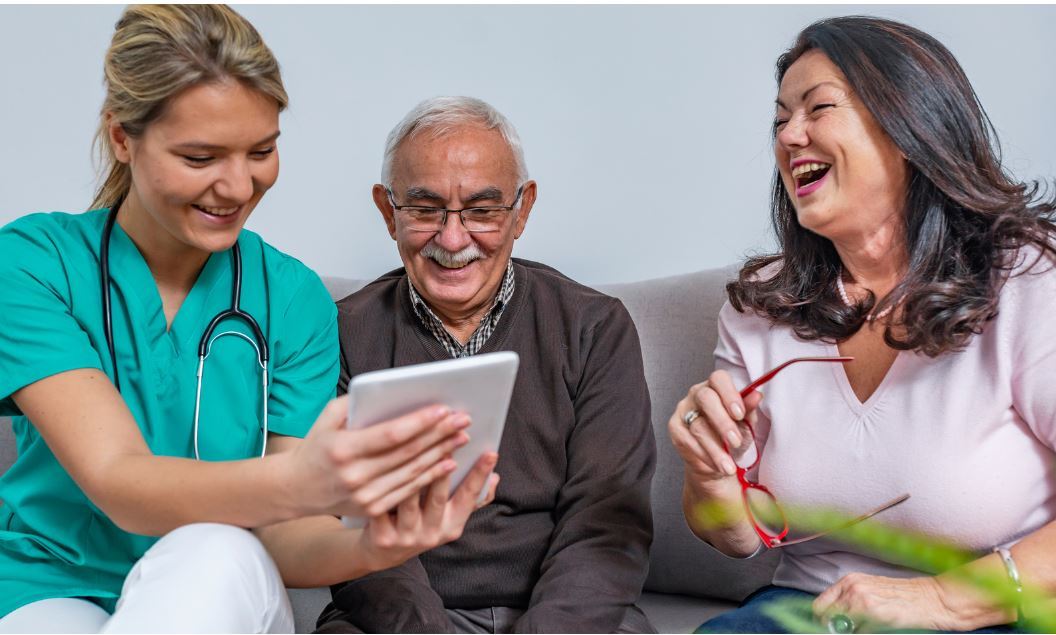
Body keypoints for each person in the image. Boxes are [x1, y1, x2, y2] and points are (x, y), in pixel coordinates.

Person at [0, 6, 495, 633]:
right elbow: (117, 480)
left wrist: (377, 546)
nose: (237, 186)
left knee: (211, 547)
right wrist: (303, 480)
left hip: (220, 587)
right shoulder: (32, 264)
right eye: (201, 157)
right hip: (45, 586)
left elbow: (289, 537)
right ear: (123, 137)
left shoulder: (291, 298)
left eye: (261, 150)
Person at [668, 15, 1056, 634]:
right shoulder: (762, 304)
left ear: (909, 126)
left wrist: (942, 602)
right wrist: (709, 473)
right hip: (812, 614)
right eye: (779, 119)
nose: (790, 136)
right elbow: (738, 537)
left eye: (818, 108)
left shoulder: (1028, 278)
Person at [315, 96, 657, 634]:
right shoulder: (338, 335)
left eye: (482, 211)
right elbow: (350, 530)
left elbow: (605, 525)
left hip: (569, 617)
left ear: (521, 211)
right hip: (399, 619)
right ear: (388, 212)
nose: (453, 239)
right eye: (426, 211)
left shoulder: (596, 328)